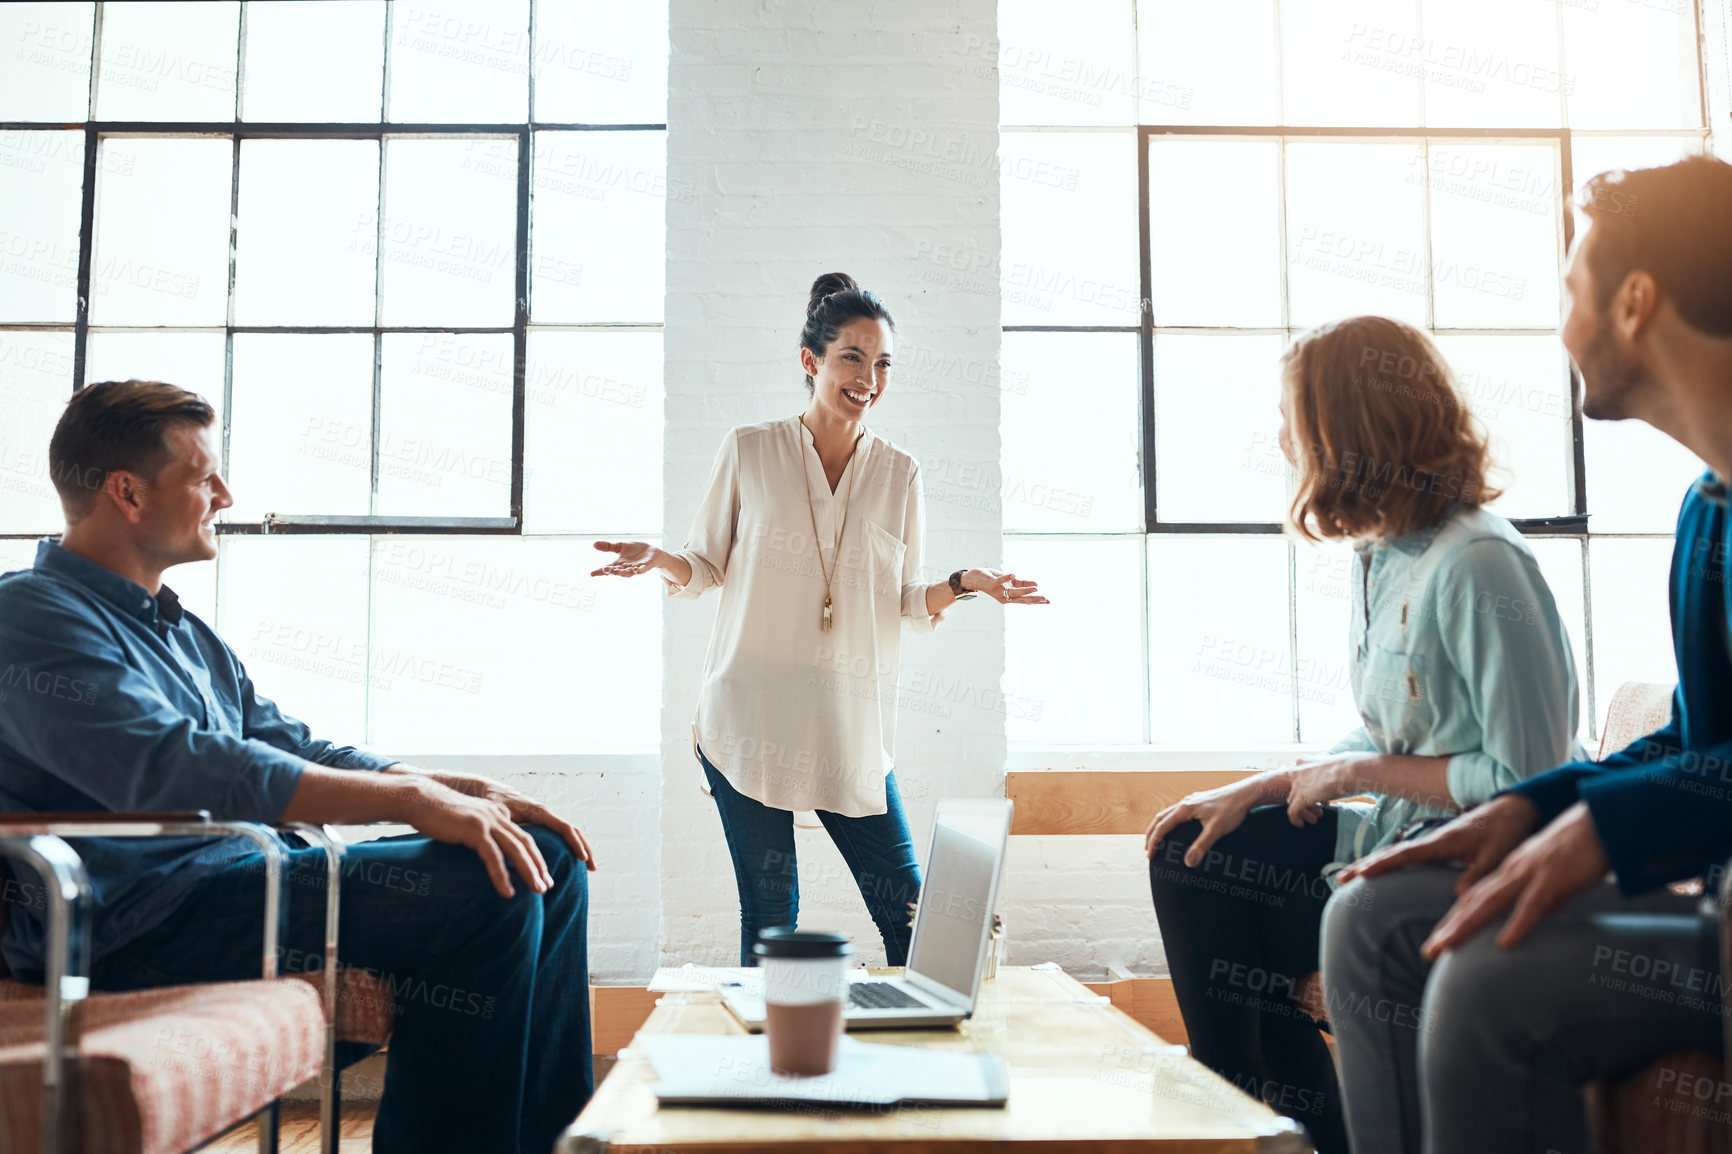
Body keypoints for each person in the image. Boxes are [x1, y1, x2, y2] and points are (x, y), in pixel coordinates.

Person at [0, 380, 595, 1154]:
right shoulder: (31, 616)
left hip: (239, 882)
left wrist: (450, 787)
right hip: (132, 918)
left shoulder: (185, 635)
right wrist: (412, 804)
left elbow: (292, 744)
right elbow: (168, 767)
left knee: (547, 858)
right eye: (202, 476)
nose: (225, 494)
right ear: (127, 493)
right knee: (487, 880)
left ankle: (551, 1146)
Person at [1320, 156, 1732, 1154]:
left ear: (1634, 301)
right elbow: (1696, 736)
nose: (1558, 323)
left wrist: (1603, 827)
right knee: (1370, 914)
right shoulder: (1705, 508)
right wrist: (1532, 806)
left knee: (1486, 973)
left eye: (1566, 286)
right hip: (1710, 905)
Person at [1143, 316, 1581, 1154]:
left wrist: (1352, 774)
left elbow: (1534, 778)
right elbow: (1394, 729)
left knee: (1237, 919)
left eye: (1292, 416)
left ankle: (1261, 1132)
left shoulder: (1482, 565)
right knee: (1196, 852)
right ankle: (1271, 1134)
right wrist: (1265, 787)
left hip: (1472, 862)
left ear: (1349, 426)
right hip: (1394, 832)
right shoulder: (1383, 551)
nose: (1280, 439)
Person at [593, 272, 1045, 965]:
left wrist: (963, 584)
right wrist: (658, 558)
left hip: (849, 727)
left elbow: (903, 599)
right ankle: (772, 1071)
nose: (868, 377)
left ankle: (925, 1070)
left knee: (915, 921)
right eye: (853, 358)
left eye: (883, 362)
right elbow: (705, 567)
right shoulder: (750, 450)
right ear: (813, 362)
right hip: (749, 724)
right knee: (774, 923)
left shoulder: (900, 473)